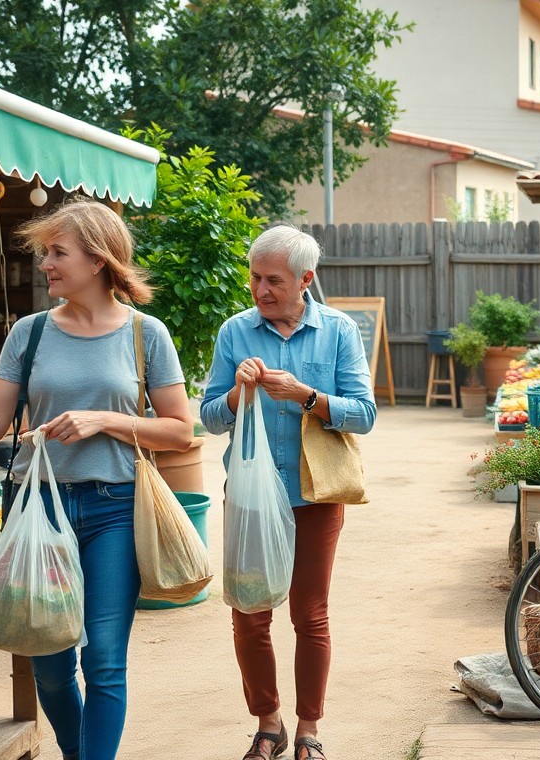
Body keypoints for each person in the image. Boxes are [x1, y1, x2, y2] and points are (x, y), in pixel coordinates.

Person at [0, 198, 195, 760]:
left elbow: (180, 432)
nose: (46, 264)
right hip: (34, 509)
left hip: (114, 508)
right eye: (46, 252)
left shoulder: (146, 334)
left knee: (105, 662)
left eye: (57, 252)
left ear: (98, 260)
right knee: (49, 664)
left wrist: (105, 420)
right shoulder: (30, 333)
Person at [201, 225, 376, 760]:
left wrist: (307, 396)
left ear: (306, 279)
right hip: (252, 497)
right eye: (254, 277)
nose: (260, 290)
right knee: (249, 614)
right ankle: (268, 724)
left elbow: (364, 414)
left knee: (310, 614)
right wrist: (238, 391)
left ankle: (308, 730)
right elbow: (208, 418)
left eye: (273, 280)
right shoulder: (235, 332)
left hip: (316, 496)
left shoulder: (339, 331)